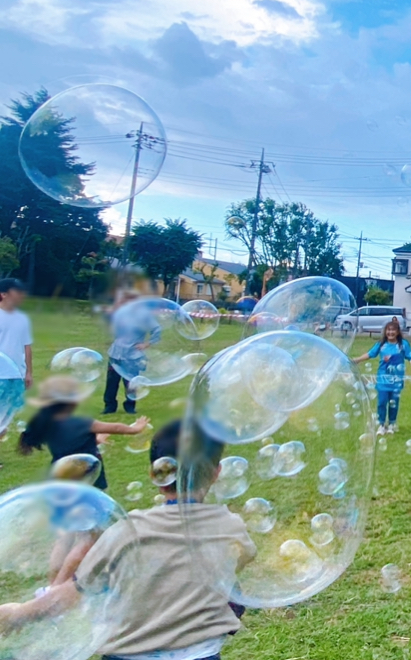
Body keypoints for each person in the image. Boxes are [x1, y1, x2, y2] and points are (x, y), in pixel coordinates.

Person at [4, 420, 258, 658]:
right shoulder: (232, 527)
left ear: (158, 475)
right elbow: (238, 563)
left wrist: (19, 613)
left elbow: (74, 593)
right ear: (217, 472)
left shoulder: (125, 531)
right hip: (200, 654)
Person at [19, 375, 149, 490]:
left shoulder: (46, 423)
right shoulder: (82, 423)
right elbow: (115, 428)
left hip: (61, 470)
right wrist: (135, 429)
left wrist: (96, 440)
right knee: (93, 500)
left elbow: (69, 443)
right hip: (87, 468)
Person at [351, 319, 411, 435]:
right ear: (385, 331)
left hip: (397, 380)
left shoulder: (403, 344)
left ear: (397, 332)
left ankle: (391, 424)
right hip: (382, 379)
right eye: (388, 330)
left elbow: (410, 357)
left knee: (394, 403)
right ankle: (381, 425)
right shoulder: (381, 344)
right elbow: (370, 354)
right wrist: (356, 360)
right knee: (381, 402)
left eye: (393, 330)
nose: (390, 332)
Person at [0, 278, 31, 462]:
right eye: (16, 291)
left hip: (16, 375)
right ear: (3, 294)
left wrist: (29, 372)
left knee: (5, 421)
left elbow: (27, 346)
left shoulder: (22, 319)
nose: (21, 295)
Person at [102, 290, 145, 415]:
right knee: (111, 382)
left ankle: (130, 406)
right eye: (123, 301)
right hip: (116, 353)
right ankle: (109, 406)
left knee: (131, 383)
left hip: (132, 356)